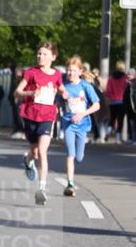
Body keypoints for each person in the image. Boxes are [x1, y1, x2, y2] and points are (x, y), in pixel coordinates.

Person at [14, 42, 67, 205]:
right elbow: (17, 92)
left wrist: (64, 93)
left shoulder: (57, 74)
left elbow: (61, 88)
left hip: (48, 116)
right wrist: (31, 92)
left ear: (53, 57)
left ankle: (41, 189)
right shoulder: (31, 72)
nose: (40, 56)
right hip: (30, 115)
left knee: (43, 151)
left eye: (44, 54)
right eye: (39, 53)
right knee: (35, 153)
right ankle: (28, 160)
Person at [60, 57, 100, 196]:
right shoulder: (64, 86)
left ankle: (73, 174)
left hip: (82, 125)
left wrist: (82, 114)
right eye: (68, 70)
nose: (70, 73)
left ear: (80, 71)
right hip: (68, 123)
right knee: (70, 154)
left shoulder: (85, 86)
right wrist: (61, 98)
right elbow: (57, 103)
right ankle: (70, 184)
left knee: (79, 158)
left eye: (73, 70)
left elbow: (97, 105)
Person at [106, 60, 128, 142]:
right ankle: (118, 138)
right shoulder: (125, 77)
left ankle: (108, 131)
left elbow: (108, 90)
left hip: (112, 102)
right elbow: (127, 88)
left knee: (112, 118)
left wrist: (111, 97)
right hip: (122, 101)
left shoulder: (111, 78)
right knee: (120, 120)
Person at [8, 67, 25, 136]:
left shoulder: (22, 81)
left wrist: (17, 97)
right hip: (14, 100)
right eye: (16, 72)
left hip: (20, 100)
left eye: (18, 72)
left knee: (19, 115)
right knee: (15, 115)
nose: (16, 74)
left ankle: (21, 129)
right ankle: (16, 129)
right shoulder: (15, 80)